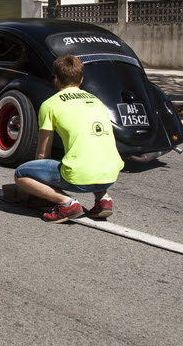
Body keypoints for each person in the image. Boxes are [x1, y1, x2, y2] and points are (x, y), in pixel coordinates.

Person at [14, 54, 124, 223]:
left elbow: (43, 153)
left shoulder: (50, 104)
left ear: (56, 78)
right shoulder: (97, 101)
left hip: (79, 176)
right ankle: (104, 200)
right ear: (81, 79)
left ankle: (67, 203)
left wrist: (40, 186)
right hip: (110, 175)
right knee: (91, 151)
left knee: (21, 174)